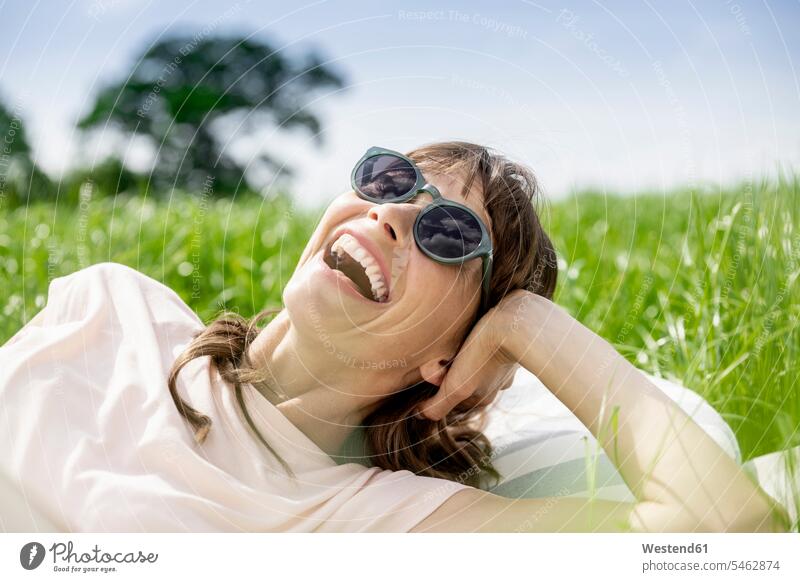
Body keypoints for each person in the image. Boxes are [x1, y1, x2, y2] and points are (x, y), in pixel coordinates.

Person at [0, 142, 788, 532]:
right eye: (389, 180)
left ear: (448, 354)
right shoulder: (111, 305)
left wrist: (527, 325)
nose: (395, 212)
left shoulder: (375, 518)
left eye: (449, 232)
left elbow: (727, 531)